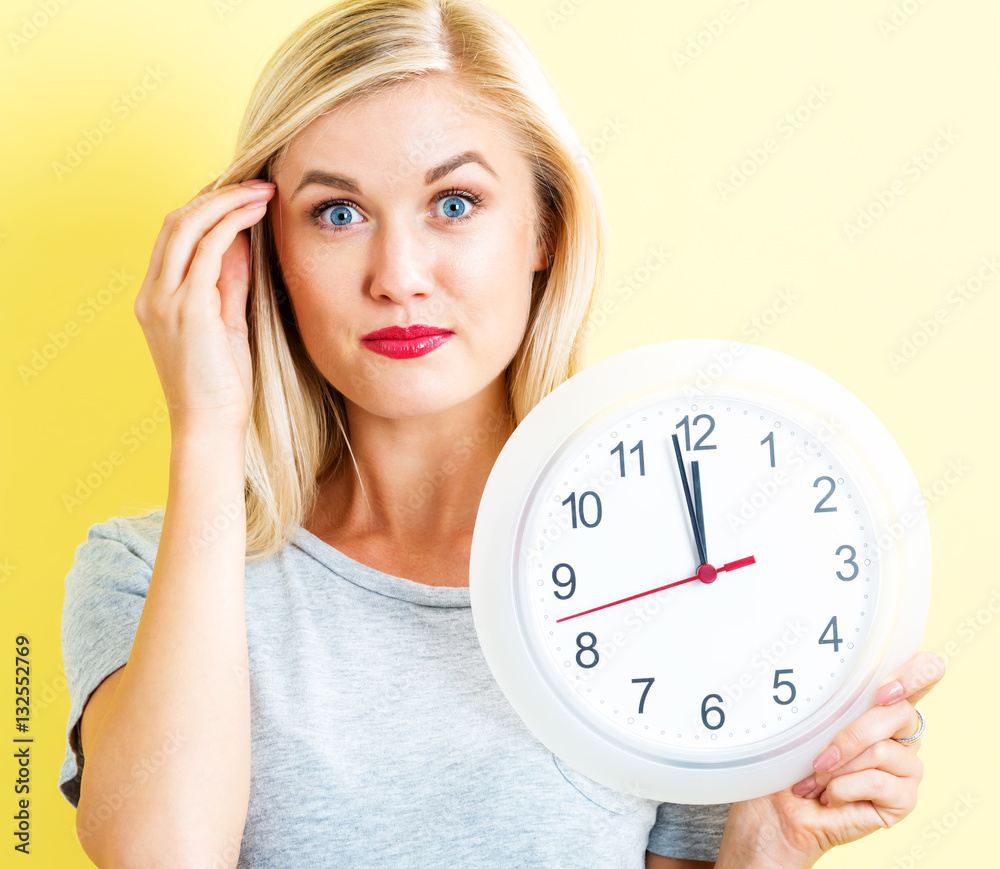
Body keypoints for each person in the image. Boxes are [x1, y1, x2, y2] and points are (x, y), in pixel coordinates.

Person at [58, 1, 945, 866]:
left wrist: (771, 848)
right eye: (337, 213)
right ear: (266, 256)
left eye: (453, 202)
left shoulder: (676, 567)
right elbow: (159, 856)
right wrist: (209, 424)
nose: (399, 276)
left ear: (544, 230)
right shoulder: (142, 573)